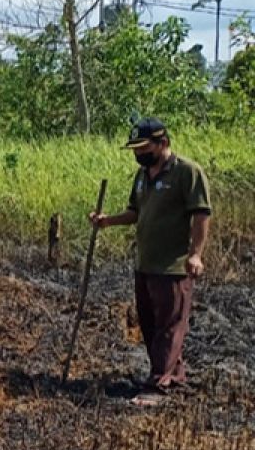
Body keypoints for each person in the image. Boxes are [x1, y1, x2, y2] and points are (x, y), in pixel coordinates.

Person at [89, 118, 211, 407]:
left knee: (170, 324)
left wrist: (195, 254)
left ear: (163, 143)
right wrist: (107, 221)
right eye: (135, 149)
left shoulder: (187, 173)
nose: (138, 154)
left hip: (173, 265)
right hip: (145, 263)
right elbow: (135, 212)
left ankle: (158, 384)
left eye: (144, 148)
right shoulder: (142, 176)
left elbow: (202, 214)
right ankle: (174, 374)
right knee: (150, 324)